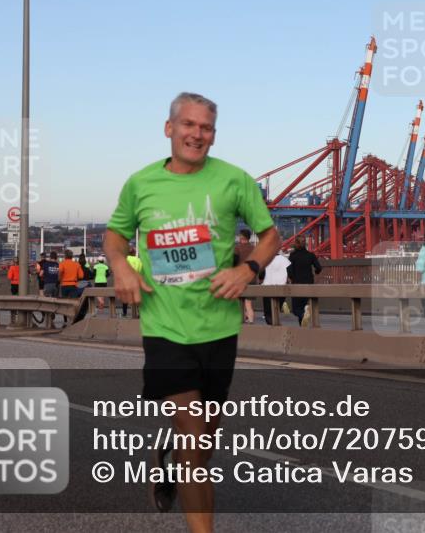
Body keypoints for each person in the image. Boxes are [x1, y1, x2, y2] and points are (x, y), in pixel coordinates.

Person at [105, 92, 279, 531]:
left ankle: (169, 463)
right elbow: (114, 234)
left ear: (213, 136)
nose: (196, 134)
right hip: (164, 325)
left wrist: (248, 269)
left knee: (202, 442)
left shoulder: (234, 180)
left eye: (205, 128)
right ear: (169, 128)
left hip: (218, 326)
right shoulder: (141, 183)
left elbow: (270, 235)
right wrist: (120, 266)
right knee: (195, 430)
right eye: (188, 125)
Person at [287, 237, 322, 326]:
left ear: (296, 244)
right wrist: (316, 272)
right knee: (303, 305)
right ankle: (303, 324)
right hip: (309, 283)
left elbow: (289, 269)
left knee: (296, 309)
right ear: (305, 244)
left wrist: (292, 277)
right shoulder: (310, 255)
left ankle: (303, 314)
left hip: (297, 284)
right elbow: (319, 267)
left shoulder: (293, 256)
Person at [260, 251, 290, 325]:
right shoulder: (285, 260)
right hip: (281, 287)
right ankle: (276, 324)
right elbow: (291, 273)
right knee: (276, 311)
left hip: (268, 287)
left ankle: (273, 326)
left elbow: (261, 274)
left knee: (268, 313)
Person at [233, 230, 256, 324]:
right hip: (252, 279)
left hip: (240, 279)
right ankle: (251, 322)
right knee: (248, 304)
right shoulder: (254, 248)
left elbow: (233, 262)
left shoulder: (237, 248)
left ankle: (241, 322)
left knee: (239, 303)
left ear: (241, 237)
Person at [122, 245, 142, 318]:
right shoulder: (138, 260)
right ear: (134, 253)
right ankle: (139, 313)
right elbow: (141, 271)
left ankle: (125, 313)